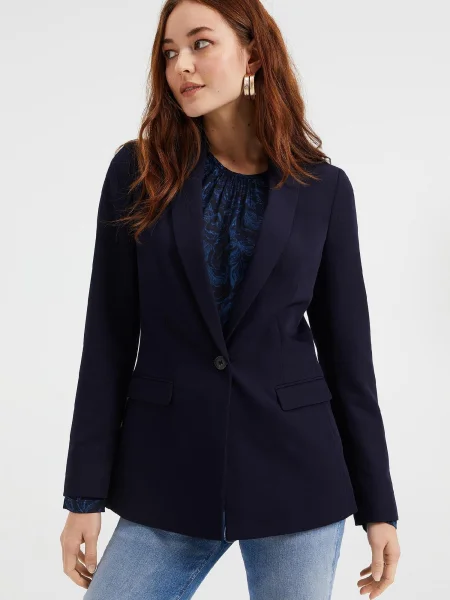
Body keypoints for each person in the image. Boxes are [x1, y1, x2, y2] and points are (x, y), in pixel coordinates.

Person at [59, 0, 401, 598]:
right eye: (169, 53)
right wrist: (83, 496)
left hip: (297, 476)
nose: (181, 66)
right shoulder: (139, 172)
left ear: (253, 55)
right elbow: (107, 338)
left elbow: (349, 357)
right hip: (167, 474)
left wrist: (379, 508)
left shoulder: (322, 189)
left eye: (200, 44)